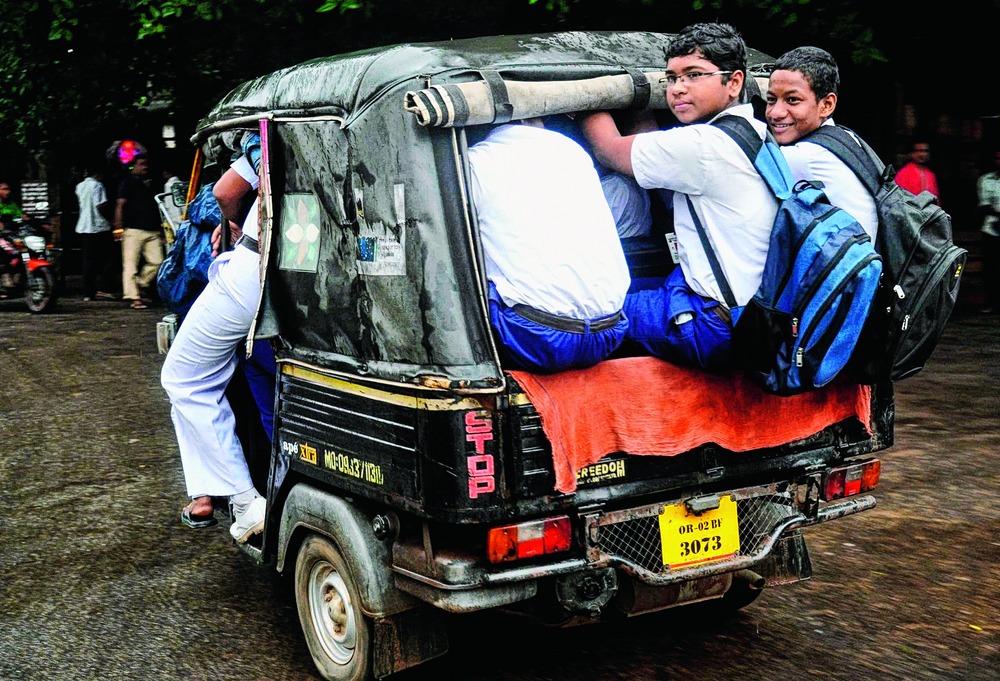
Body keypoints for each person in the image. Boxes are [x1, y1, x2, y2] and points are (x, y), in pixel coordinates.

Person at [580, 22, 777, 372]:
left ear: (733, 82)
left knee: (589, 316)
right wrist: (638, 104)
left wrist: (585, 98)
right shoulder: (756, 132)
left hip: (714, 326)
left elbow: (610, 151)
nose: (678, 89)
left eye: (694, 75)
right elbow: (654, 146)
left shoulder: (702, 146)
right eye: (671, 79)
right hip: (758, 314)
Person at [160, 132, 269, 542]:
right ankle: (207, 494)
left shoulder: (264, 138)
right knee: (200, 382)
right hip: (294, 276)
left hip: (252, 267)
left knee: (183, 379)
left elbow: (225, 192)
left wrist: (239, 226)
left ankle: (242, 500)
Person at [467, 117, 631, 374]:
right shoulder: (573, 152)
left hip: (534, 337)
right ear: (528, 116)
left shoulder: (474, 162)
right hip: (610, 332)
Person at [764, 46, 878, 240]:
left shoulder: (803, 156)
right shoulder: (845, 137)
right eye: (771, 99)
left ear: (827, 105)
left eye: (792, 100)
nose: (775, 112)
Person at [114, 153, 164, 309]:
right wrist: (118, 227)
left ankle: (140, 283)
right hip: (133, 229)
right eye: (141, 164)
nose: (145, 167)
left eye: (145, 164)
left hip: (152, 229)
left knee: (158, 261)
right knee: (130, 265)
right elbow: (120, 205)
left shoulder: (149, 183)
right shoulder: (127, 182)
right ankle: (133, 297)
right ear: (134, 166)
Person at [74, 167, 117, 301]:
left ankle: (88, 292)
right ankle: (103, 287)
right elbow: (100, 205)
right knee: (109, 257)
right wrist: (111, 220)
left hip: (84, 226)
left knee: (88, 260)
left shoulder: (79, 186)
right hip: (99, 226)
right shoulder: (97, 185)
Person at [977, 148, 1000, 314]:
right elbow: (984, 206)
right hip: (992, 228)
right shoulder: (986, 180)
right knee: (992, 268)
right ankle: (992, 302)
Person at [894, 139, 941, 204]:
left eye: (925, 151)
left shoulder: (931, 175)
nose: (922, 154)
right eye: (919, 151)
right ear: (912, 153)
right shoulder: (903, 173)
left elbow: (936, 200)